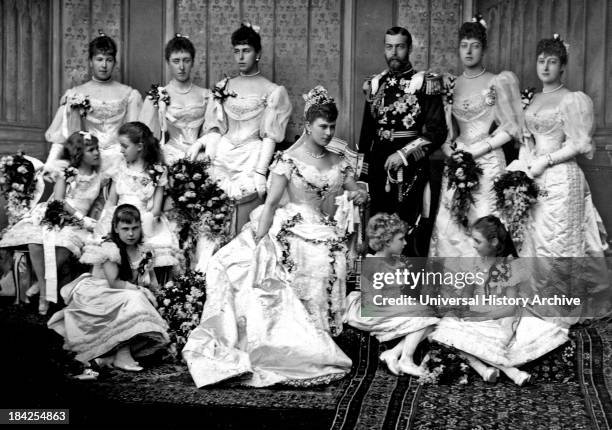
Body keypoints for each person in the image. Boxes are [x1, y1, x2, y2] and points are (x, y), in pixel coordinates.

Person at [183, 87, 367, 388]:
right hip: (290, 224)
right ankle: (300, 343)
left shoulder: (338, 159)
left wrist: (360, 193)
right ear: (308, 126)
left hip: (322, 225)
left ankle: (321, 337)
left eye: (332, 126)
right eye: (323, 126)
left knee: (330, 256)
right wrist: (257, 240)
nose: (329, 132)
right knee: (297, 260)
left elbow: (352, 186)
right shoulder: (288, 160)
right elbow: (269, 205)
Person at [429, 17, 523, 258]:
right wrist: (452, 152)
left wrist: (478, 150)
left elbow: (510, 128)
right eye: (464, 45)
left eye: (475, 45)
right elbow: (442, 129)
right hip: (458, 159)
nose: (469, 51)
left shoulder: (497, 81)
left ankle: (487, 290)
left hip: (488, 160)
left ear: (484, 48)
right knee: (452, 226)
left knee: (484, 221)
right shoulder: (450, 84)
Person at [187, 23, 292, 233]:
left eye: (246, 51)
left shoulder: (273, 91)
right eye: (237, 52)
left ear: (258, 53)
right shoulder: (223, 87)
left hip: (251, 155)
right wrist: (201, 143)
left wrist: (261, 171)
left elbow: (269, 136)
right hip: (224, 152)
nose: (241, 57)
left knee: (245, 201)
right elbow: (216, 129)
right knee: (211, 202)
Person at [48, 204, 169, 376]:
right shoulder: (110, 247)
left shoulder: (144, 250)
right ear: (116, 228)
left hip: (122, 293)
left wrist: (162, 296)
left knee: (145, 307)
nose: (131, 233)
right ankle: (122, 352)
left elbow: (152, 282)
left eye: (135, 228)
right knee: (135, 299)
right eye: (125, 229)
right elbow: (114, 283)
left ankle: (111, 356)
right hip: (98, 293)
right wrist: (144, 291)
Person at [359, 26, 447, 256]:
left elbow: (437, 132)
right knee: (378, 231)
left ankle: (408, 291)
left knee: (407, 233)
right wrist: (363, 178)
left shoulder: (425, 84)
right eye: (389, 47)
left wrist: (404, 154)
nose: (394, 52)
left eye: (399, 46)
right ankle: (376, 289)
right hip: (379, 169)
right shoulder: (376, 84)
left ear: (408, 49)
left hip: (411, 168)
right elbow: (366, 135)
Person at [0, 132, 103, 315]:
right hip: (57, 212)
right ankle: (43, 289)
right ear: (79, 153)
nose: (97, 153)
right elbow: (59, 200)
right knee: (34, 240)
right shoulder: (67, 172)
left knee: (64, 243)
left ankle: (41, 288)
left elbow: (101, 203)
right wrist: (79, 216)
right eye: (91, 149)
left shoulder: (100, 176)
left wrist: (86, 220)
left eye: (97, 149)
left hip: (78, 224)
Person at [429, 216, 532, 385]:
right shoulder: (475, 263)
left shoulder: (509, 265)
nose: (473, 245)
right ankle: (484, 369)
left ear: (494, 242)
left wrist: (482, 316)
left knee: (456, 336)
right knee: (443, 331)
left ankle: (508, 371)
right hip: (479, 312)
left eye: (478, 241)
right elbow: (466, 296)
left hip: (501, 317)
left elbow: (511, 307)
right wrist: (460, 310)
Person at [344, 213, 439, 376]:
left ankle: (394, 354)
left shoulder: (396, 262)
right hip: (369, 312)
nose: (405, 243)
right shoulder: (372, 264)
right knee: (425, 315)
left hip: (387, 305)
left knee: (432, 318)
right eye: (401, 239)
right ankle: (406, 359)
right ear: (387, 242)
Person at [44, 31, 142, 181]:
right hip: (89, 157)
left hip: (119, 157)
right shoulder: (76, 94)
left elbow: (133, 133)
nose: (104, 65)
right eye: (99, 59)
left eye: (109, 60)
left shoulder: (129, 94)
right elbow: (64, 136)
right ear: (90, 61)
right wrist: (50, 165)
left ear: (114, 63)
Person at [95, 122, 179, 268]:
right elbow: (111, 201)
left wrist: (140, 226)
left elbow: (156, 209)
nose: (121, 150)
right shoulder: (120, 166)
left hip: (143, 221)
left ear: (139, 146)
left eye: (125, 146)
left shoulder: (157, 171)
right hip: (118, 218)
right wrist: (108, 221)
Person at [139, 34, 210, 165]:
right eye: (176, 61)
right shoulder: (157, 96)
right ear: (168, 63)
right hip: (169, 156)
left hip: (199, 155)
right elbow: (147, 137)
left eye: (186, 60)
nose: (181, 67)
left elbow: (212, 132)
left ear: (193, 62)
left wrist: (200, 145)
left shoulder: (206, 95)